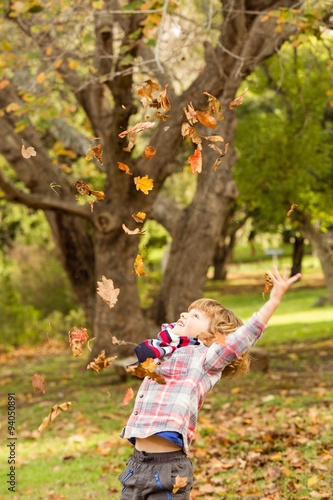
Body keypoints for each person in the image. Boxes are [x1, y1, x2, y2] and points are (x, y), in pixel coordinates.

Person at [118, 265, 301, 499]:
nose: (184, 315)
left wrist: (273, 301)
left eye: (195, 316)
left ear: (213, 337)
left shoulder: (205, 359)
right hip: (136, 465)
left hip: (166, 470)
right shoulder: (166, 352)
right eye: (187, 311)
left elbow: (241, 340)